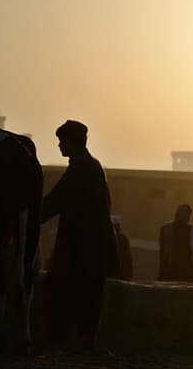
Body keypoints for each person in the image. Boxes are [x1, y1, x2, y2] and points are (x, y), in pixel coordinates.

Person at [41, 120, 112, 350]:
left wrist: (30, 217)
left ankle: (63, 340)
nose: (59, 146)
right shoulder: (92, 166)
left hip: (80, 246)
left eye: (62, 141)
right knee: (89, 295)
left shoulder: (81, 168)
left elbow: (56, 201)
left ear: (72, 142)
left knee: (66, 290)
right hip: (92, 246)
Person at [158, 203, 193, 283]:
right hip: (186, 275)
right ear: (188, 216)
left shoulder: (165, 229)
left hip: (167, 274)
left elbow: (164, 253)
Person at [109, 214, 134, 281]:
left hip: (119, 273)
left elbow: (127, 257)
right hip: (119, 273)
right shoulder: (122, 238)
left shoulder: (121, 238)